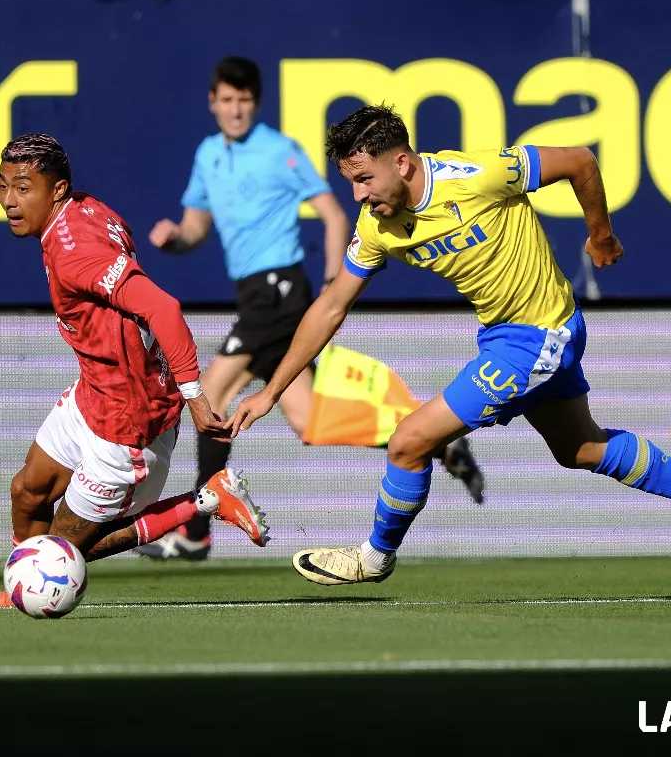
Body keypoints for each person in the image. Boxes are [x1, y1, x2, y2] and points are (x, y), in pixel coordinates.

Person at [228, 105, 671, 586]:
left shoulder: (479, 175)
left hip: (541, 334)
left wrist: (599, 234)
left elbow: (579, 160)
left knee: (408, 441)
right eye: (351, 183)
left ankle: (375, 557)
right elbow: (329, 306)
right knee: (580, 449)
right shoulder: (376, 228)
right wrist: (272, 392)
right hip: (504, 335)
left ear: (405, 164)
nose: (360, 196)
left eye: (365, 179)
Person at [142, 59, 483, 563]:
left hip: (282, 291)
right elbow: (195, 229)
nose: (235, 110)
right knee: (305, 421)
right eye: (226, 100)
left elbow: (332, 212)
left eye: (244, 101)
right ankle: (435, 441)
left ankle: (195, 528)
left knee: (210, 394)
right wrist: (173, 240)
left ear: (254, 104)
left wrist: (330, 279)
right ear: (212, 103)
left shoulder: (280, 150)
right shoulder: (208, 155)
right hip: (255, 295)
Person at [0, 134, 268, 608]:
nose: (10, 200)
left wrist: (196, 396)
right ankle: (24, 583)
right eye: (7, 186)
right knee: (27, 491)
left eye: (24, 188)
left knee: (69, 547)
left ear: (57, 190)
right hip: (94, 393)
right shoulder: (84, 207)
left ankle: (205, 499)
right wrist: (11, 188)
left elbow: (163, 308)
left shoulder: (74, 250)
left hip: (128, 420)